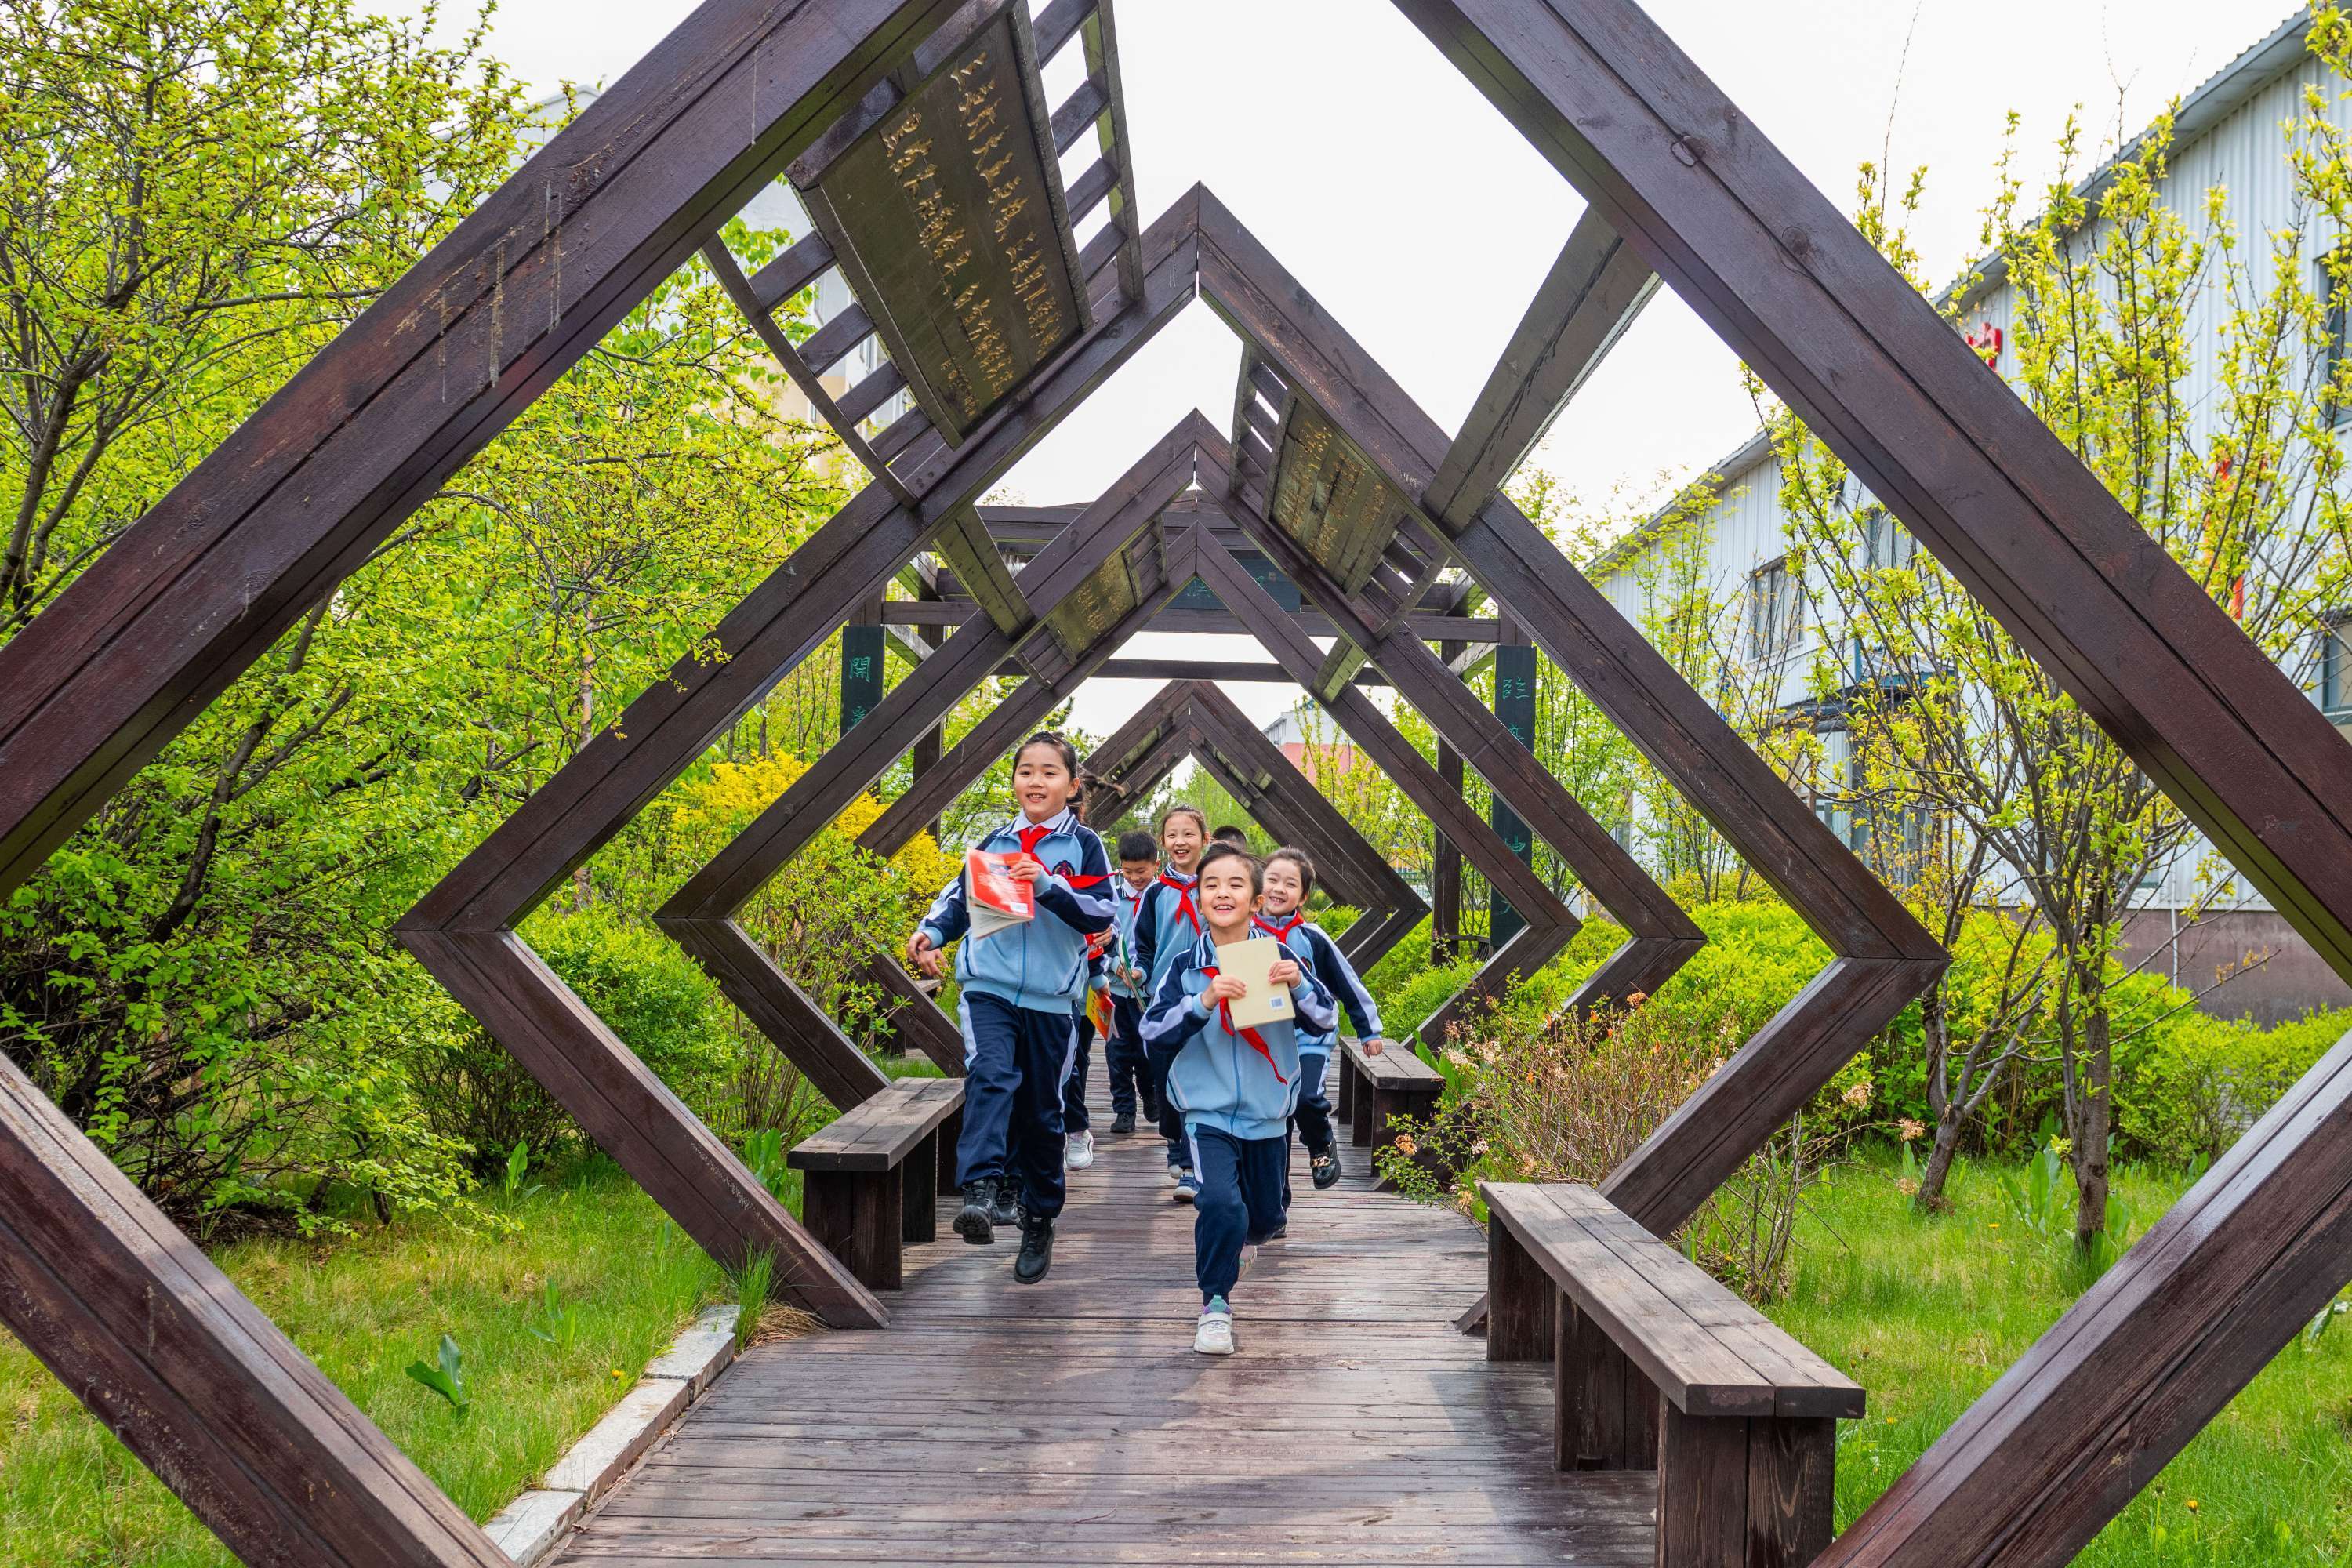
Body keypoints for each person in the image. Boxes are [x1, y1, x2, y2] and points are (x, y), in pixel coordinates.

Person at [907, 732, 1112, 1284]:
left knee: (1042, 1113)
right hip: (989, 986)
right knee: (991, 1073)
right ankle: (979, 1189)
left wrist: (1046, 885)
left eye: (1049, 772)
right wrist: (931, 933)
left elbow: (1100, 913)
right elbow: (959, 899)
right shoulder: (995, 841)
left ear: (1072, 785)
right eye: (1026, 771)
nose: (1036, 781)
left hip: (1053, 999)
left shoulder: (1085, 846)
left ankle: (1039, 1219)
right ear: (1014, 781)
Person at [1140, 844, 1335, 1355]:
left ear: (1256, 900)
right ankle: (1215, 1305)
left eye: (1235, 884)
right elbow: (1152, 1031)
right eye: (1211, 884)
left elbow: (1325, 1018)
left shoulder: (1280, 956)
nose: (1222, 893)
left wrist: (1299, 987)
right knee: (1221, 1204)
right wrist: (1202, 1001)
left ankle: (1242, 1246)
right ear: (1199, 898)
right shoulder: (1185, 966)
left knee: (1265, 1220)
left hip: (1268, 1114)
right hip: (1205, 1112)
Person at [1255, 848, 1388, 1192]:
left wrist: (1368, 1030)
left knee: (1305, 1099)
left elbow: (1347, 983)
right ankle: (1277, 1197)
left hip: (1309, 1039)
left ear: (1303, 896)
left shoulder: (1312, 937)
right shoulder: (1244, 935)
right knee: (1274, 1118)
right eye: (1272, 880)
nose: (1278, 889)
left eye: (1290, 884)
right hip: (1264, 1040)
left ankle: (1321, 1144)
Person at [1132, 804, 1207, 1200]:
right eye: (1173, 835)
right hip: (1166, 999)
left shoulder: (1215, 886)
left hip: (1212, 996)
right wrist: (1139, 971)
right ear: (1163, 842)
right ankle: (1176, 1143)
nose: (1181, 841)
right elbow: (1142, 945)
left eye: (1189, 834)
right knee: (1166, 1078)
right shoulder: (1155, 893)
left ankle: (1193, 1168)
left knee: (1202, 1078)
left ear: (1205, 839)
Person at [1103, 829, 1163, 1134]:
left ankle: (1150, 1094)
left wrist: (1143, 972)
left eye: (1141, 871)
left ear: (1156, 864)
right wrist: (1115, 966)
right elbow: (1099, 942)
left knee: (1147, 1050)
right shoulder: (1111, 898)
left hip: (1148, 992)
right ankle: (1124, 1110)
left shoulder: (1162, 898)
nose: (1135, 877)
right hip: (1114, 990)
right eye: (1128, 871)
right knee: (1117, 1052)